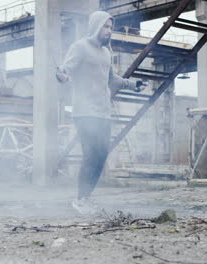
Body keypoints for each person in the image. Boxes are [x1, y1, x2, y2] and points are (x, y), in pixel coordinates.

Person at [56, 11, 147, 214]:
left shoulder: (107, 53)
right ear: (96, 26)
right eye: (105, 27)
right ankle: (80, 200)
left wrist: (134, 85)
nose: (109, 31)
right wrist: (61, 74)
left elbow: (112, 79)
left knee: (100, 155)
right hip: (84, 111)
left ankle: (86, 198)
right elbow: (66, 69)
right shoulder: (80, 47)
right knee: (90, 154)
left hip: (103, 112)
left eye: (110, 27)